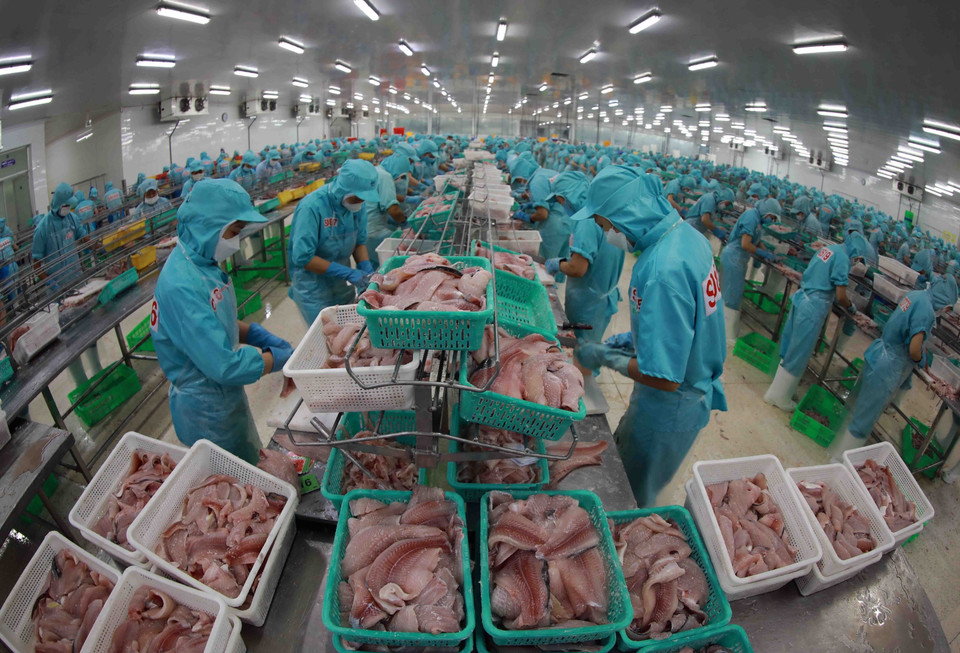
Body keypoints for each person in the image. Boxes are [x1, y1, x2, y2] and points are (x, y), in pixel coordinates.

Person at [573, 166, 727, 507]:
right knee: (646, 485)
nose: (605, 233)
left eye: (603, 225)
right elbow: (686, 324)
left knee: (630, 497)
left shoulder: (662, 270)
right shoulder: (688, 237)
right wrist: (630, 339)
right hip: (692, 393)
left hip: (668, 409)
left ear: (624, 216)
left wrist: (604, 356)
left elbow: (665, 378)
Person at [152, 179, 292, 463]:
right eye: (234, 231)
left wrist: (255, 334)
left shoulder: (202, 262)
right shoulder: (181, 285)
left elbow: (213, 324)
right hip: (206, 410)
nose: (237, 240)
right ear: (208, 227)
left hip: (223, 395)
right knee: (231, 483)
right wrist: (275, 360)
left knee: (250, 462)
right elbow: (224, 367)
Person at [828, 275, 959, 461]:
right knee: (864, 419)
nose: (944, 312)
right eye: (947, 308)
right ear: (944, 302)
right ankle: (841, 462)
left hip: (879, 353)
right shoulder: (927, 311)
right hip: (889, 366)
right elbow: (914, 350)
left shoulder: (915, 295)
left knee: (858, 409)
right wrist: (922, 360)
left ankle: (837, 450)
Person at [764, 240, 856, 411]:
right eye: (857, 259)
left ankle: (777, 391)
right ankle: (781, 397)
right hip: (813, 306)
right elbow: (841, 296)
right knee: (799, 352)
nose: (856, 262)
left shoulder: (828, 249)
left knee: (790, 347)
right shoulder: (842, 258)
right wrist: (850, 306)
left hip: (802, 298)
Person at [287, 159, 380, 325]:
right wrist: (348, 273)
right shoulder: (312, 207)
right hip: (313, 288)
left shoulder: (358, 205)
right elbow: (302, 257)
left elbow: (359, 242)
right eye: (357, 198)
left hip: (340, 285)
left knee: (350, 330)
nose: (360, 202)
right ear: (345, 190)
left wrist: (365, 267)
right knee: (327, 336)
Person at [32, 182, 102, 383]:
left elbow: (83, 238)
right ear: (58, 204)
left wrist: (100, 246)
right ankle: (81, 382)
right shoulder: (43, 228)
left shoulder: (72, 218)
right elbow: (36, 264)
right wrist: (53, 286)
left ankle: (97, 369)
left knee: (88, 328)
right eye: (66, 205)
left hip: (77, 283)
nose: (69, 208)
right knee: (70, 338)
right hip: (57, 294)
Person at [545, 171, 624, 344]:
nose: (561, 206)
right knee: (586, 343)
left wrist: (557, 264)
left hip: (588, 306)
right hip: (600, 299)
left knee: (582, 349)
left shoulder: (587, 222)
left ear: (570, 196)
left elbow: (577, 268)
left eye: (560, 201)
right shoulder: (606, 214)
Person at [718, 204, 776, 344]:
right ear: (767, 212)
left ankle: (722, 327)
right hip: (734, 257)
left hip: (737, 258)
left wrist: (767, 252)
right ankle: (727, 335)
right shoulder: (751, 217)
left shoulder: (757, 219)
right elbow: (745, 244)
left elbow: (757, 239)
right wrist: (761, 253)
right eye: (772, 217)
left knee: (729, 293)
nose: (772, 221)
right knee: (732, 296)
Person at [365, 154, 409, 267]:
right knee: (394, 265)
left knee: (370, 265)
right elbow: (393, 209)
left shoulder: (374, 171)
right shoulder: (385, 176)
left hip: (361, 230)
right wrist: (405, 223)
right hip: (374, 232)